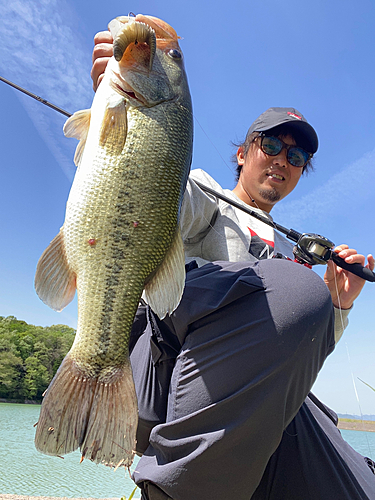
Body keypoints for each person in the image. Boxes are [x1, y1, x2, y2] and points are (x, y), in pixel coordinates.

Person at [91, 30, 375, 500]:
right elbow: (147, 206)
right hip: (166, 373)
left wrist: (337, 308)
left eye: (298, 156)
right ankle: (176, 488)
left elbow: (298, 360)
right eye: (271, 145)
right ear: (243, 154)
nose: (284, 160)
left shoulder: (288, 264)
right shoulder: (204, 194)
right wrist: (123, 118)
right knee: (295, 290)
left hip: (255, 408)